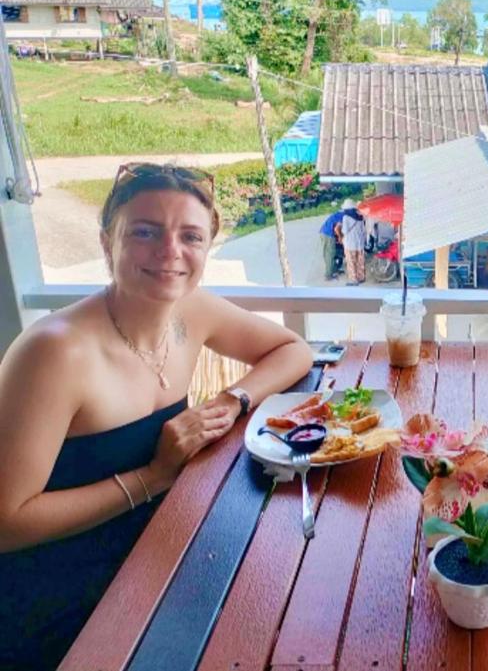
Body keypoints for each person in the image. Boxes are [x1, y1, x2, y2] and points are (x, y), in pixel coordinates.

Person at [0, 163, 314, 670]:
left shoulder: (191, 312)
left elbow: (292, 349)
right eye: (144, 232)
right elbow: (6, 523)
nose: (170, 252)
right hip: (57, 592)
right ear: (108, 243)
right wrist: (152, 477)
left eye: (190, 235)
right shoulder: (52, 353)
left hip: (158, 548)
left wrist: (230, 401)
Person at [340, 198, 367, 286]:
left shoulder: (346, 218)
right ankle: (361, 277)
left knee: (351, 262)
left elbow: (344, 231)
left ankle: (353, 280)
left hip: (350, 244)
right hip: (360, 243)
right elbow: (363, 231)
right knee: (360, 261)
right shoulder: (360, 217)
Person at [319, 206, 345, 280]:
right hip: (328, 234)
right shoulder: (342, 216)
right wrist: (340, 237)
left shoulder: (339, 213)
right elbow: (337, 229)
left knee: (330, 253)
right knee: (330, 254)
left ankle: (334, 269)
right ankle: (328, 275)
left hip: (324, 232)